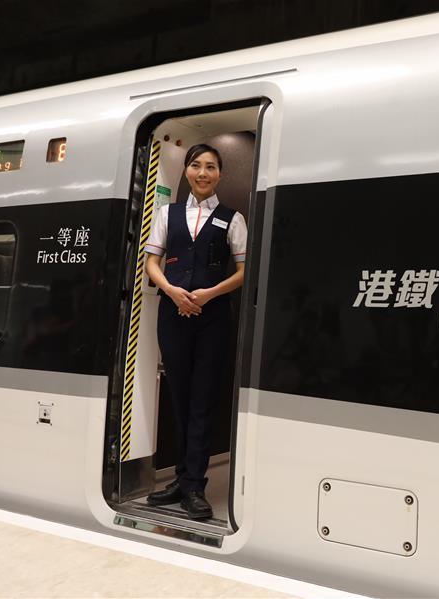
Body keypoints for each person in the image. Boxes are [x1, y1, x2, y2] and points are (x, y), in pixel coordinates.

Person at [142, 143, 246, 519]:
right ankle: (182, 478)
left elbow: (244, 271)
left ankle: (194, 485)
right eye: (197, 165)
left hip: (212, 318)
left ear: (220, 174)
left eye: (211, 167)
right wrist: (172, 292)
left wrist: (208, 293)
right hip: (173, 315)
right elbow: (151, 263)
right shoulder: (166, 214)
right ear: (186, 170)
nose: (203, 173)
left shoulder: (232, 219)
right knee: (179, 397)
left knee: (202, 399)